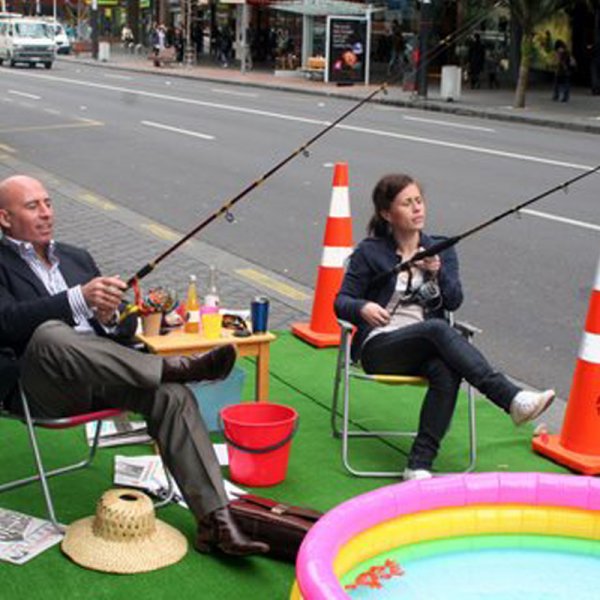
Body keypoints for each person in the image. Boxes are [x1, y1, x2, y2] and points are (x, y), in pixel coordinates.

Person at [0, 175, 269, 557]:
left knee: (172, 396)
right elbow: (7, 323)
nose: (46, 213)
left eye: (48, 203)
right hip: (41, 385)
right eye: (32, 206)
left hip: (103, 374)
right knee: (49, 334)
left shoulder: (77, 256)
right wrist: (76, 299)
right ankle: (173, 367)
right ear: (5, 218)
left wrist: (111, 317)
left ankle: (216, 523)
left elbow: (123, 326)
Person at [334, 174, 555, 481]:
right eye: (406, 203)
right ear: (387, 214)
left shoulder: (441, 249)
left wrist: (437, 273)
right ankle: (511, 398)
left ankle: (418, 463)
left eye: (419, 201)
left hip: (424, 344)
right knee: (437, 330)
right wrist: (363, 307)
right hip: (381, 346)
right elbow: (341, 301)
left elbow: (453, 302)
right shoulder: (370, 252)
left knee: (446, 368)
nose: (416, 209)